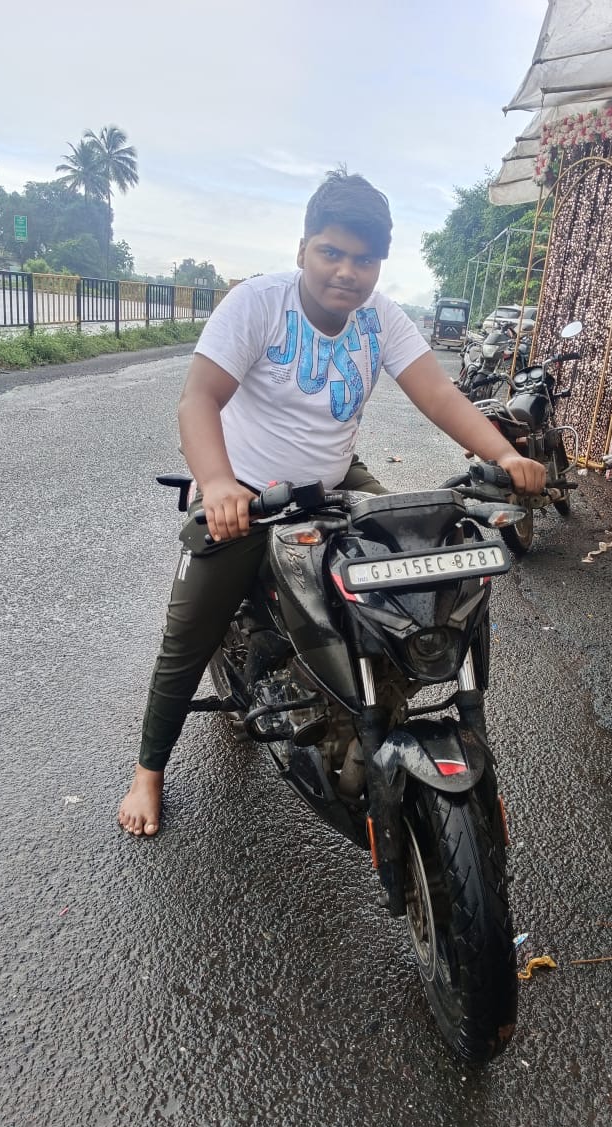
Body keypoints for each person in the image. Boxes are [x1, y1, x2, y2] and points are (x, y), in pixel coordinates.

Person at [118, 168, 546, 836]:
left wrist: (504, 455)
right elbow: (198, 399)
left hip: (336, 482)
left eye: (364, 259)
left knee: (417, 570)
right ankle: (149, 771)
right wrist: (220, 484)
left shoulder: (381, 318)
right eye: (332, 252)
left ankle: (373, 709)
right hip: (247, 492)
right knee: (189, 630)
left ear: (379, 266)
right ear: (303, 250)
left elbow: (439, 395)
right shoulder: (258, 304)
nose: (347, 271)